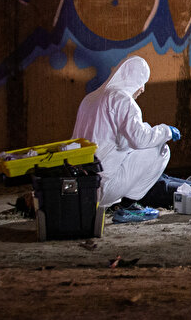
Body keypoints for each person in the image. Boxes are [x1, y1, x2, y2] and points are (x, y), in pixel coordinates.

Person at [73, 56, 181, 218]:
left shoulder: (91, 98)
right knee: (161, 148)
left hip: (80, 185)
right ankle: (129, 205)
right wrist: (166, 131)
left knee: (135, 146)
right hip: (103, 187)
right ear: (134, 79)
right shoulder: (122, 100)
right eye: (142, 81)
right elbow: (140, 139)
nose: (143, 89)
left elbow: (119, 137)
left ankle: (121, 203)